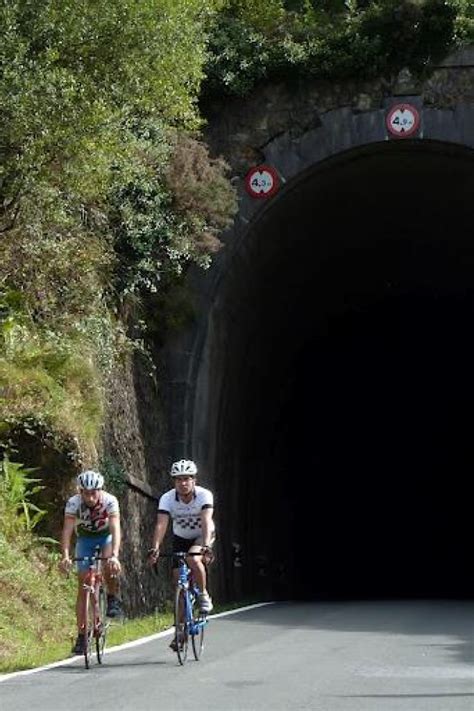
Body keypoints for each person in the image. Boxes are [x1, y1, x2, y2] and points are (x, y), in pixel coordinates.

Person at [59, 469, 122, 654]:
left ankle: (111, 597)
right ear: (80, 492)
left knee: (110, 565)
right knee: (82, 585)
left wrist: (115, 555)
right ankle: (81, 635)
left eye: (94, 492)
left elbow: (115, 528)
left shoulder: (110, 501)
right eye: (86, 493)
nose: (90, 497)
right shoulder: (73, 503)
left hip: (105, 537)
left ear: (100, 490)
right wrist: (65, 555)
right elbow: (67, 531)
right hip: (85, 538)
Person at [148, 459, 215, 617]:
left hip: (202, 535)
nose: (182, 483)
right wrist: (155, 548)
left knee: (193, 558)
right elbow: (161, 524)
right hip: (181, 537)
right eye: (178, 479)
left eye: (186, 479)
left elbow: (206, 521)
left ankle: (203, 595)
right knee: (178, 581)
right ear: (174, 482)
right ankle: (180, 632)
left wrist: (206, 546)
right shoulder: (167, 498)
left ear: (194, 480)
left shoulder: (204, 495)